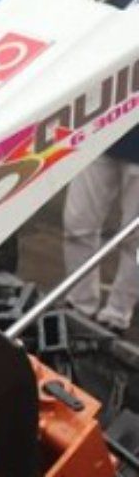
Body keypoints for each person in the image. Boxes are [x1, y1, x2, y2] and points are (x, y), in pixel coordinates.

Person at [63, 130, 139, 333]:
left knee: (136, 242)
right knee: (77, 223)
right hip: (101, 130)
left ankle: (117, 315)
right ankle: (80, 304)